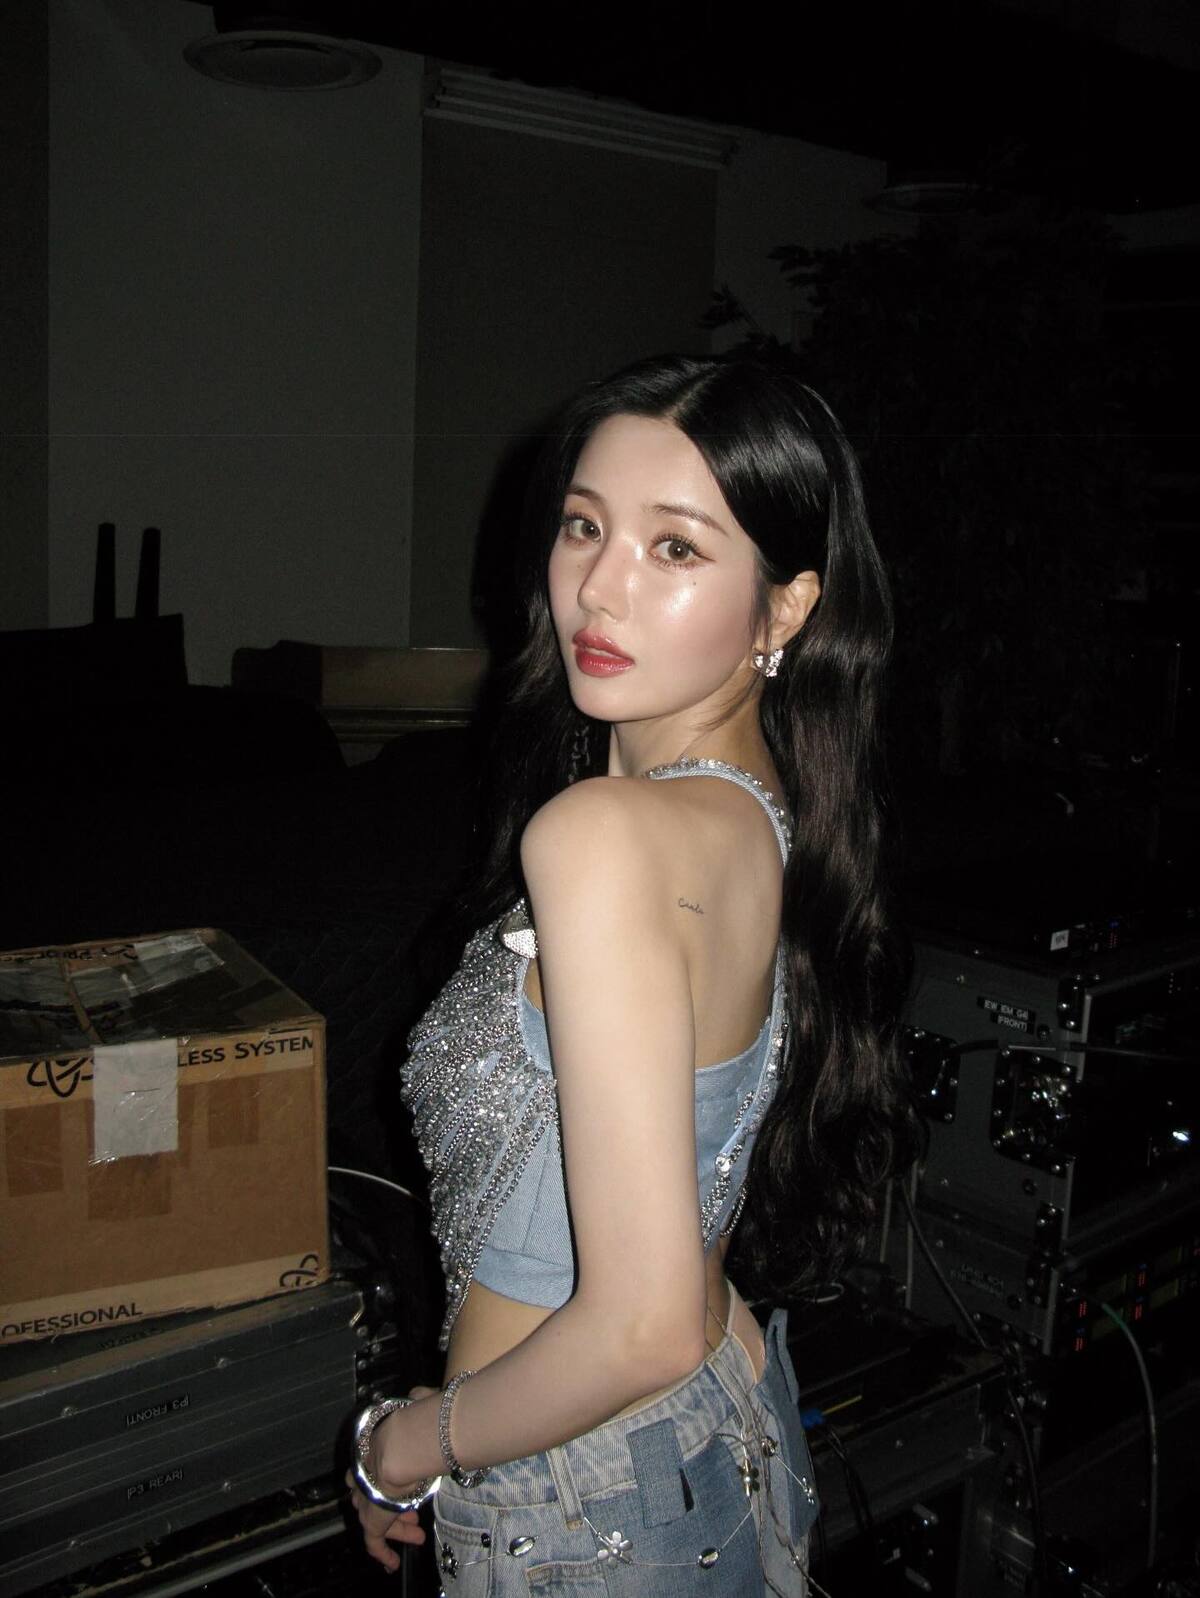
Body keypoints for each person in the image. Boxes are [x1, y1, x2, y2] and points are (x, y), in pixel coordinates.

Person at [347, 354, 918, 1595]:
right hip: (715, 1413)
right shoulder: (757, 811)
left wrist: (402, 1446)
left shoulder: (606, 837)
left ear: (785, 608)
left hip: (578, 1487)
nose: (600, 587)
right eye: (583, 526)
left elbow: (640, 1322)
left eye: (676, 547)